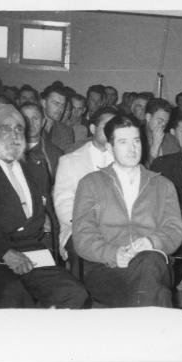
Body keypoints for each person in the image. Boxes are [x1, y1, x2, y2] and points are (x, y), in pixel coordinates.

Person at [0, 104, 88, 308]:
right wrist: (5, 253)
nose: (14, 135)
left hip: (30, 250)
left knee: (74, 293)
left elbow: (44, 215)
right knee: (13, 293)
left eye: (18, 129)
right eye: (5, 129)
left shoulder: (36, 168)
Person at [72, 114, 182, 307]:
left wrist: (151, 242)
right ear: (109, 147)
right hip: (106, 268)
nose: (132, 149)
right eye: (123, 142)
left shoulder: (163, 185)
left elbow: (174, 230)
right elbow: (82, 235)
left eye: (136, 141)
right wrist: (113, 254)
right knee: (158, 294)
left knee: (150, 262)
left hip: (153, 263)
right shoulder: (90, 183)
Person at [53, 106, 118, 261]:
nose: (112, 132)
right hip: (79, 228)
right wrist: (90, 225)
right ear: (93, 128)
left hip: (117, 229)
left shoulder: (123, 161)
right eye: (107, 127)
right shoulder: (70, 160)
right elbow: (64, 204)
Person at [21, 102, 63, 185]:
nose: (30, 123)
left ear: (43, 122)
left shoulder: (54, 154)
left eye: (35, 118)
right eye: (25, 119)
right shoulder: (9, 150)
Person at [40, 84, 76, 153]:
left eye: (63, 105)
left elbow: (67, 158)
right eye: (56, 103)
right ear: (44, 103)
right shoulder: (32, 126)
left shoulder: (66, 131)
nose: (60, 109)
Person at [143, 98, 180, 164]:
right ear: (148, 117)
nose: (163, 125)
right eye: (160, 121)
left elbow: (176, 168)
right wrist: (155, 145)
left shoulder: (171, 140)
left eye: (166, 122)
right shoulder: (138, 139)